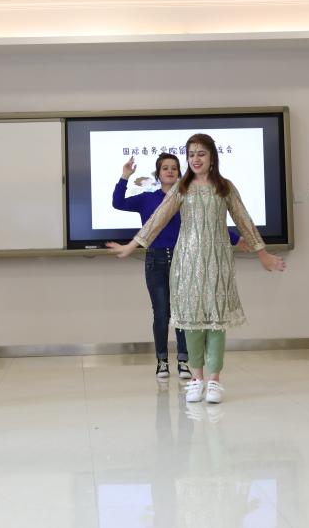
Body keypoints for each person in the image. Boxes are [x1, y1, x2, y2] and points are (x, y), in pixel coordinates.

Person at [107, 134, 286, 404]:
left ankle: (214, 380)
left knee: (216, 321)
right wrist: (131, 246)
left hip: (217, 260)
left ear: (212, 156)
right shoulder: (182, 187)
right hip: (186, 262)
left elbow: (244, 220)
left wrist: (262, 254)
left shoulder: (225, 187)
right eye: (191, 154)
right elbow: (157, 220)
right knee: (191, 322)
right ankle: (196, 379)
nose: (195, 159)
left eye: (201, 153)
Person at [113, 152, 247, 380]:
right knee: (161, 313)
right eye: (165, 168)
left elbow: (209, 222)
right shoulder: (147, 198)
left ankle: (184, 361)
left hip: (184, 260)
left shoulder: (187, 196)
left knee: (185, 312)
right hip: (156, 261)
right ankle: (162, 361)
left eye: (174, 168)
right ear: (158, 174)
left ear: (179, 173)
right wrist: (125, 176)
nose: (170, 171)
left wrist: (236, 239)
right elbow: (118, 203)